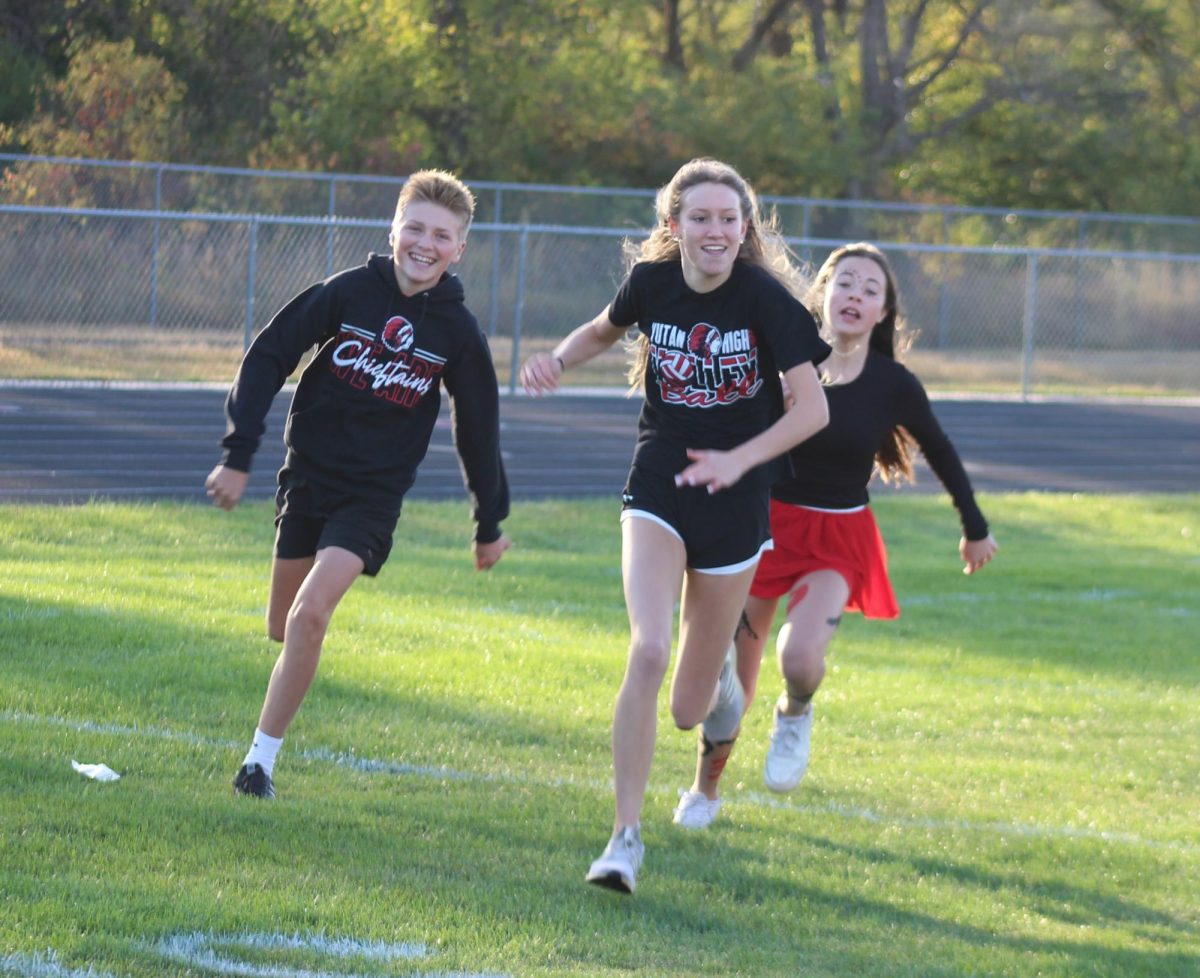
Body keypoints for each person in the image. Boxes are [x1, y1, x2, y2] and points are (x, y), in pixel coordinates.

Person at [521, 158, 830, 893]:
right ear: (674, 225)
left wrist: (737, 460)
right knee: (648, 647)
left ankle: (723, 673)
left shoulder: (766, 301)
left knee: (692, 708)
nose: (715, 229)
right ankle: (624, 840)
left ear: (744, 228)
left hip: (736, 503)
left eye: (728, 218)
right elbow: (603, 329)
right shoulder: (653, 283)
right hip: (659, 482)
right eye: (700, 217)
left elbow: (813, 409)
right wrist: (557, 359)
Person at [205, 169, 511, 800]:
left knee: (311, 612)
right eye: (416, 228)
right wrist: (239, 454)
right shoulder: (347, 293)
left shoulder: (457, 332)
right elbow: (268, 355)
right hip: (308, 479)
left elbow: (478, 430)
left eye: (442, 235)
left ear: (460, 248)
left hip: (371, 498)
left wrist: (489, 523)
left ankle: (258, 765)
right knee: (283, 630)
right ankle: (285, 694)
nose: (425, 244)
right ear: (394, 229)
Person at [673, 241, 999, 829]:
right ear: (821, 294)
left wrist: (974, 528)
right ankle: (704, 791)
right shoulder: (778, 359)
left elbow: (940, 449)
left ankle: (795, 713)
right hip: (763, 528)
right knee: (730, 689)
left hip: (837, 537)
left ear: (882, 313)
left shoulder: (893, 383)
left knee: (799, 659)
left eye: (870, 290)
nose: (855, 295)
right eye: (845, 282)